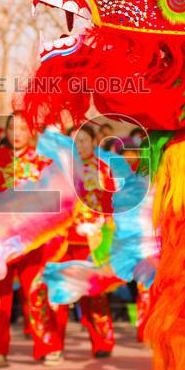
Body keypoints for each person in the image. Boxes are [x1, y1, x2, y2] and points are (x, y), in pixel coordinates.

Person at [0, 112, 64, 367]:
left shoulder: (43, 162)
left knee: (35, 291)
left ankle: (48, 345)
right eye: (13, 128)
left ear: (32, 132)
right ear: (6, 132)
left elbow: (54, 199)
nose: (18, 133)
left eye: (23, 128)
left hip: (33, 240)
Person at [55, 125, 116, 358]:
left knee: (95, 293)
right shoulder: (57, 171)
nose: (78, 146)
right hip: (62, 241)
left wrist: (102, 225)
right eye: (73, 142)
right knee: (58, 291)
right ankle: (54, 346)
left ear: (93, 143)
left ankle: (102, 342)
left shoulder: (102, 169)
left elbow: (113, 205)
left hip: (92, 239)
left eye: (83, 141)